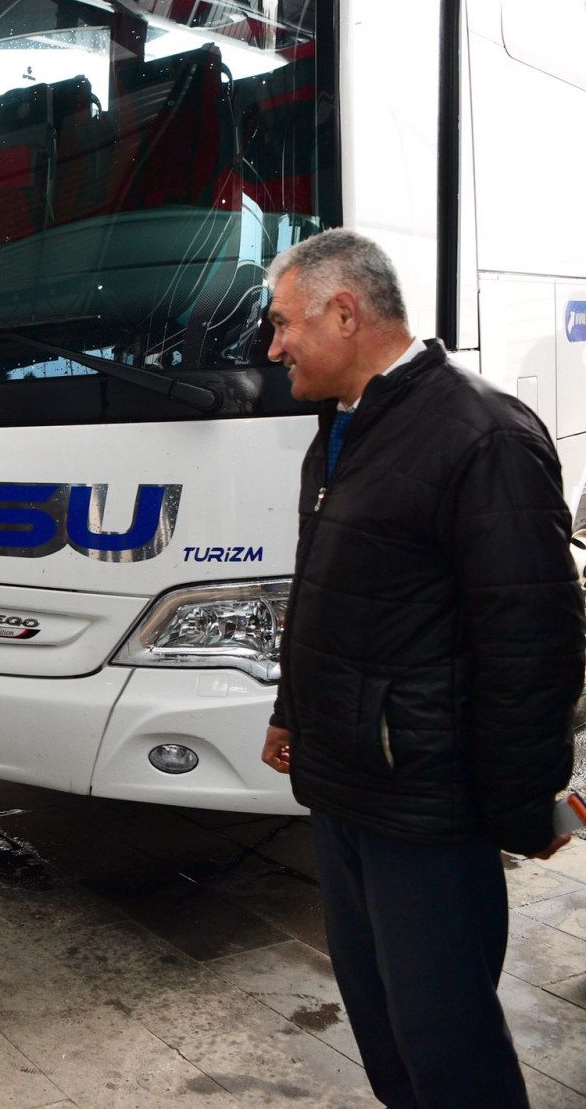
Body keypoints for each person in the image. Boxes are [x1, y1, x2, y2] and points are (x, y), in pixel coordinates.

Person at [257, 229, 584, 1108]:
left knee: (449, 1049)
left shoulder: (482, 435)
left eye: (284, 323)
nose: (274, 347)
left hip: (425, 806)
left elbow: (534, 642)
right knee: (386, 1034)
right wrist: (292, 711)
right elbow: (323, 591)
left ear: (345, 312)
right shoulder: (342, 430)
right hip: (345, 787)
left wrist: (525, 803)